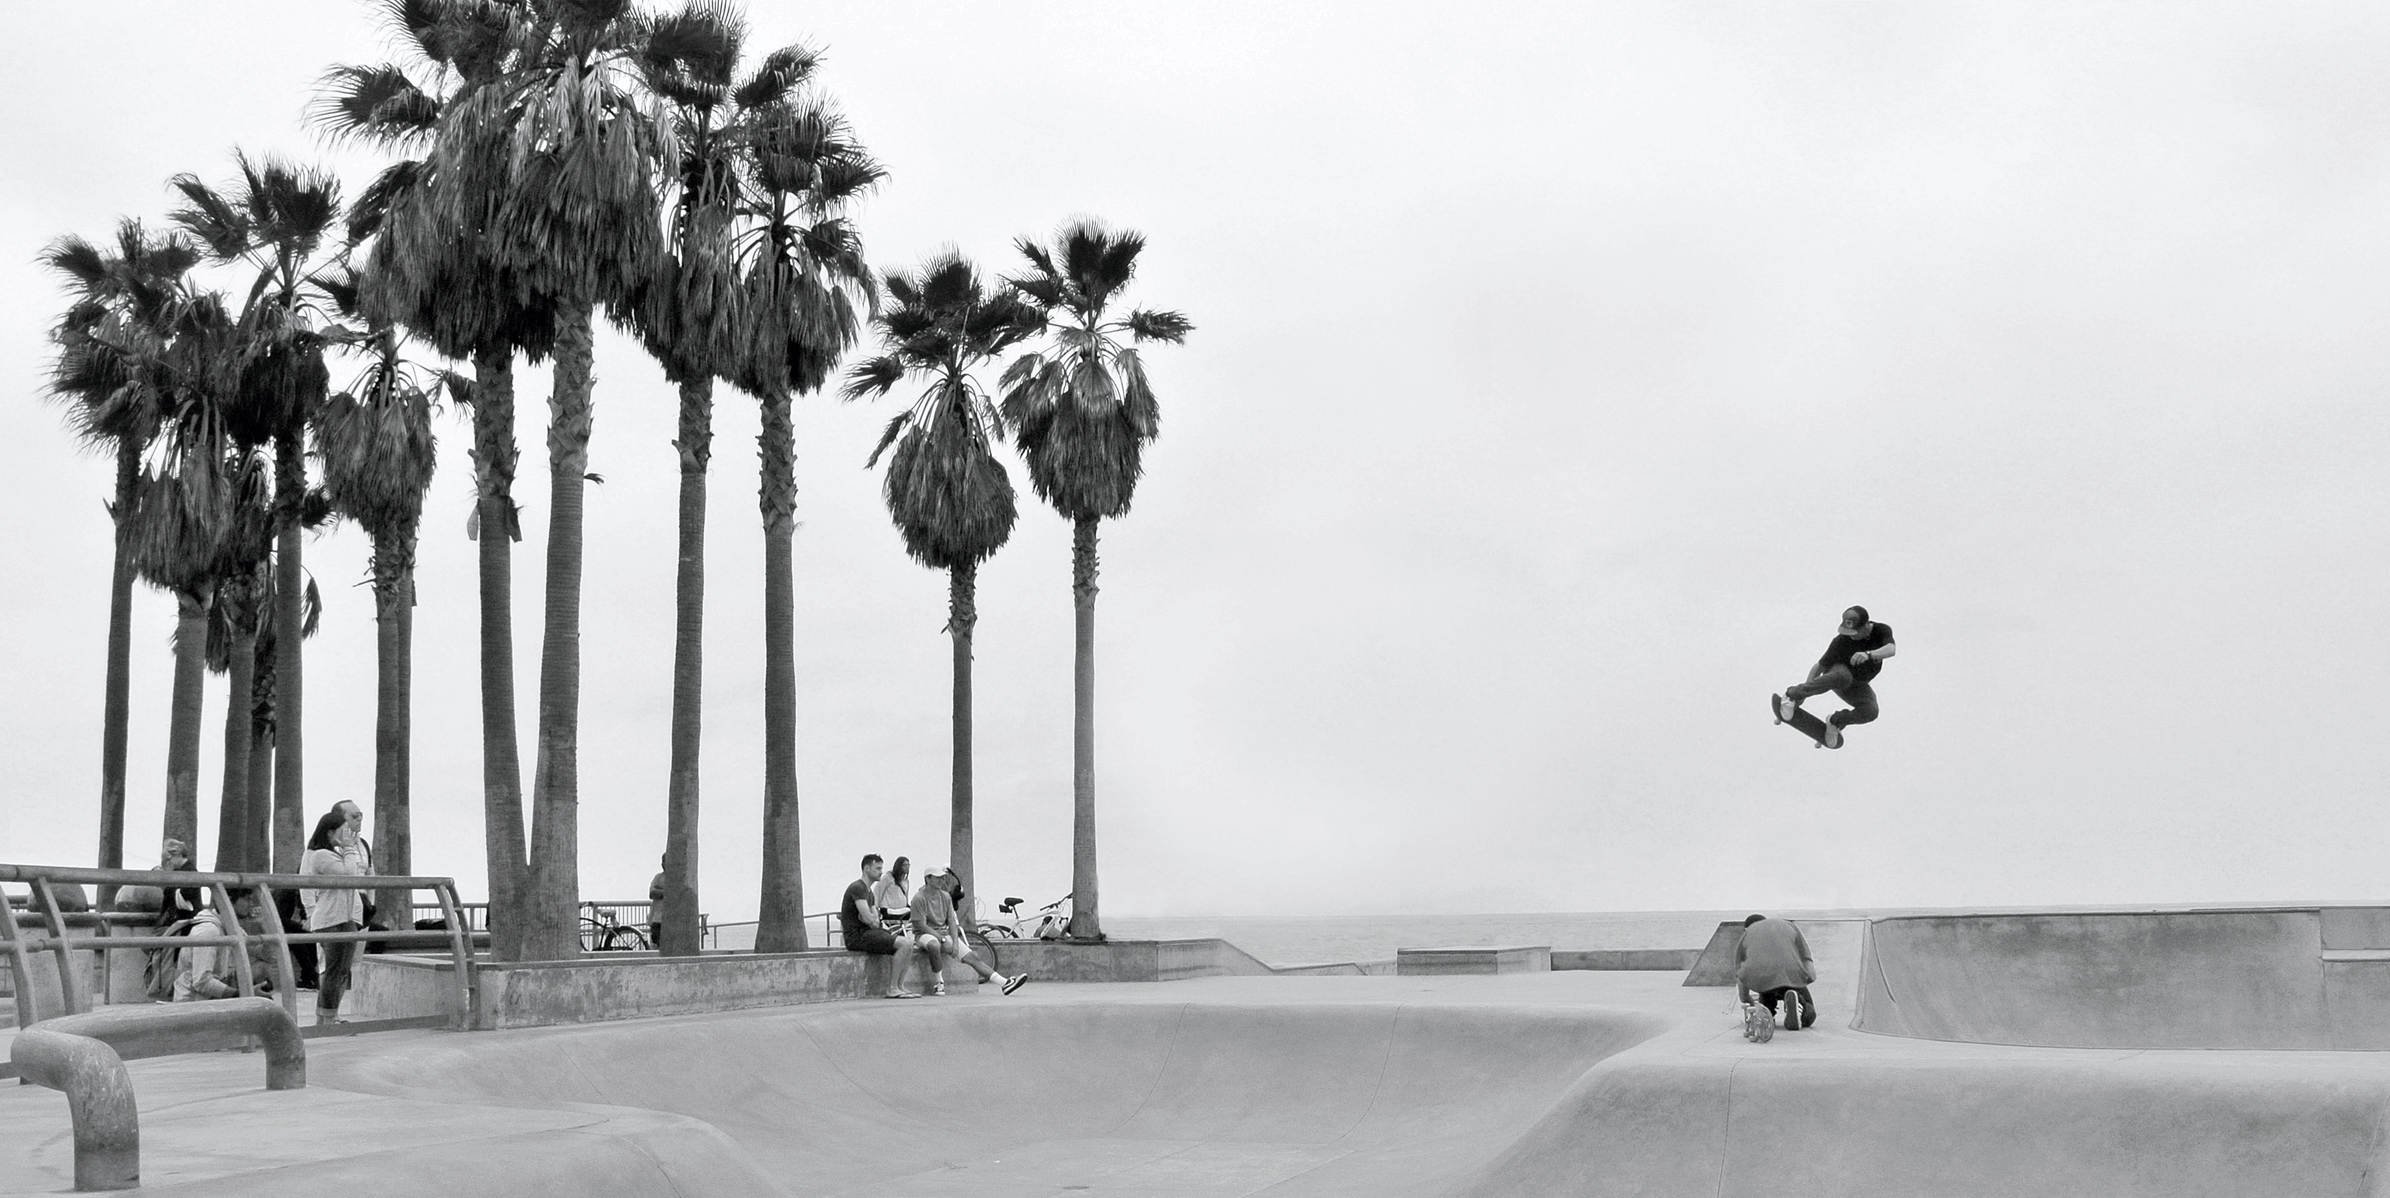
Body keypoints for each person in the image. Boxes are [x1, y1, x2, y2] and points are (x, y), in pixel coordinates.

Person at [1779, 605, 1897, 748]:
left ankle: (1835, 722)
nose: (1851, 636)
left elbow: (1891, 649)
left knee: (1871, 711)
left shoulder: (1881, 631)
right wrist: (1801, 694)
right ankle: (1790, 695)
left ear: (1866, 625)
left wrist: (1868, 654)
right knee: (1843, 677)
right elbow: (1818, 667)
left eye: (1855, 632)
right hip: (1836, 675)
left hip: (1857, 684)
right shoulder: (1841, 642)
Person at [910, 867, 1027, 997]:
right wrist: (942, 939)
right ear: (928, 879)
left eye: (942, 877)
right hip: (923, 935)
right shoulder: (918, 898)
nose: (941, 880)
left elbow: (952, 922)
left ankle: (1004, 983)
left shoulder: (946, 897)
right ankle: (939, 983)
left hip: (944, 934)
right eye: (938, 878)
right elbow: (920, 925)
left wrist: (954, 942)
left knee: (973, 956)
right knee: (934, 945)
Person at [303, 809, 371, 1024]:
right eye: (343, 831)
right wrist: (350, 848)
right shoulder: (322, 855)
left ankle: (326, 1016)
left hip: (344, 918)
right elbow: (349, 876)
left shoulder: (333, 853)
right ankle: (327, 1017)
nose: (348, 835)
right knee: (334, 972)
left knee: (340, 971)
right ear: (330, 832)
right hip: (333, 920)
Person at [840, 854, 922, 999]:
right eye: (877, 868)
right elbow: (869, 919)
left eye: (881, 868)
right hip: (857, 937)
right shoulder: (857, 888)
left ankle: (900, 986)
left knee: (908, 943)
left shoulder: (869, 892)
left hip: (869, 932)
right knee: (903, 943)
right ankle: (892, 989)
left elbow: (875, 921)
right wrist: (868, 918)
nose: (881, 872)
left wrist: (869, 918)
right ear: (867, 868)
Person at [1735, 913, 1816, 1032]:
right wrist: (1805, 980)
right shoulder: (1787, 925)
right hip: (1791, 972)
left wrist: (1749, 1001)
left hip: (1763, 977)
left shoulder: (1747, 935)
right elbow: (1805, 957)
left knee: (1766, 995)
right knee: (1808, 1009)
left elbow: (1741, 975)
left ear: (1746, 929)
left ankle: (1766, 1014)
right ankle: (1799, 1004)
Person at [873, 857, 913, 926]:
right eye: (904, 865)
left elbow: (905, 896)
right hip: (890, 911)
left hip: (902, 911)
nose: (907, 867)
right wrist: (875, 908)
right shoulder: (888, 877)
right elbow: (878, 891)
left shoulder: (906, 881)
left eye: (908, 865)